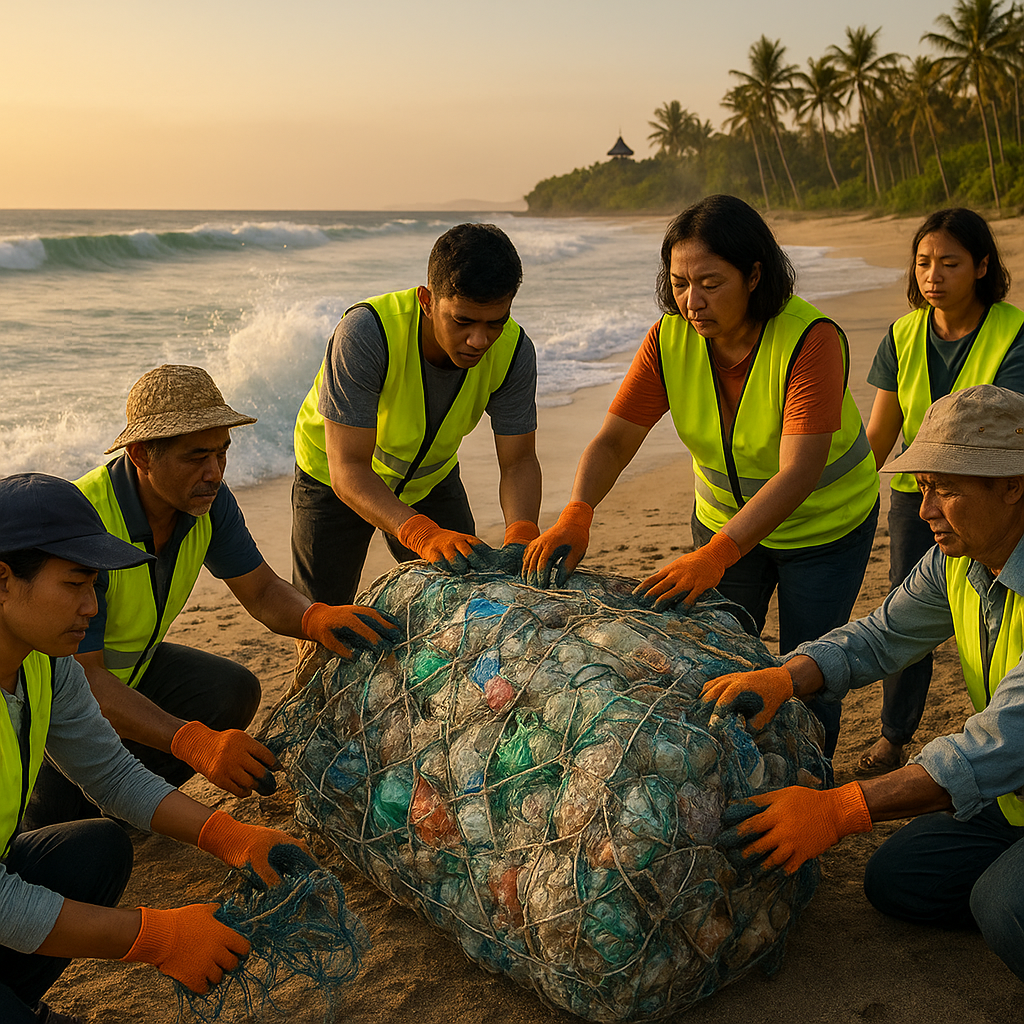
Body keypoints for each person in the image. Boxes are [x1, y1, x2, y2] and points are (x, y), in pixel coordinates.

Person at [522, 194, 879, 757]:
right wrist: (577, 513)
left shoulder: (810, 339)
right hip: (722, 523)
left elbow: (800, 470)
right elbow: (614, 441)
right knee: (718, 658)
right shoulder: (668, 340)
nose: (692, 301)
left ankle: (812, 782)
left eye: (711, 283)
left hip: (824, 531)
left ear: (754, 275)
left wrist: (715, 556)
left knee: (804, 671)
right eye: (680, 283)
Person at [701, 385, 1024, 983]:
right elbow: (881, 636)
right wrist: (786, 676)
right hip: (1015, 797)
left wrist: (838, 809)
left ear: (1012, 485)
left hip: (1012, 764)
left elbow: (1003, 744)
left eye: (946, 489)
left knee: (1003, 906)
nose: (925, 511)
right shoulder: (960, 558)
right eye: (922, 487)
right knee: (898, 880)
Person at [24, 364, 398, 831]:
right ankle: (111, 807)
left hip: (130, 675)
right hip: (54, 708)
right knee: (56, 827)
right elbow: (85, 678)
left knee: (232, 690)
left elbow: (261, 590)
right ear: (140, 454)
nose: (215, 473)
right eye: (196, 457)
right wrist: (193, 741)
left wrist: (315, 617)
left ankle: (130, 807)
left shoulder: (208, 503)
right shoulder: (86, 521)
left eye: (222, 453)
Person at [0, 472, 311, 1023]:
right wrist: (156, 937)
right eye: (73, 584)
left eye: (94, 586)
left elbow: (113, 774)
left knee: (97, 849)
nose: (91, 607)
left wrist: (230, 836)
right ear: (3, 581)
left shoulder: (45, 663)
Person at [291, 222, 542, 606]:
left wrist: (521, 536)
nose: (479, 340)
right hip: (333, 477)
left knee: (466, 599)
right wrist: (422, 534)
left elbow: (519, 461)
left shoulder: (515, 351)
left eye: (496, 322)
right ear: (427, 301)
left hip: (429, 481)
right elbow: (348, 469)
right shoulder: (366, 332)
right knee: (322, 615)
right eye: (462, 321)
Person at [857, 208, 1024, 777]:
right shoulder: (903, 334)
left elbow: (1011, 426)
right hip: (917, 495)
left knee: (1001, 603)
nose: (933, 275)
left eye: (950, 263)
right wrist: (845, 501)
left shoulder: (1013, 332)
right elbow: (880, 433)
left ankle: (1004, 724)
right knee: (908, 611)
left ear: (982, 266)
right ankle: (894, 733)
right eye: (924, 262)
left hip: (994, 493)